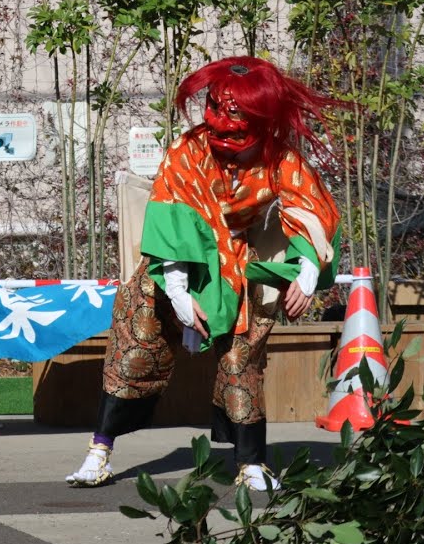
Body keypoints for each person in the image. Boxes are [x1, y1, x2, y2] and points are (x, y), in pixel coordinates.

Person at [65, 57, 342, 492]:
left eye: (236, 115)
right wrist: (177, 291)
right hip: (172, 261)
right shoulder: (187, 150)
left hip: (237, 262)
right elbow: (172, 218)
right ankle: (99, 450)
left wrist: (307, 273)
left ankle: (251, 462)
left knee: (241, 358)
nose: (223, 125)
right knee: (135, 342)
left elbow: (311, 208)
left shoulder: (278, 157)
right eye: (216, 109)